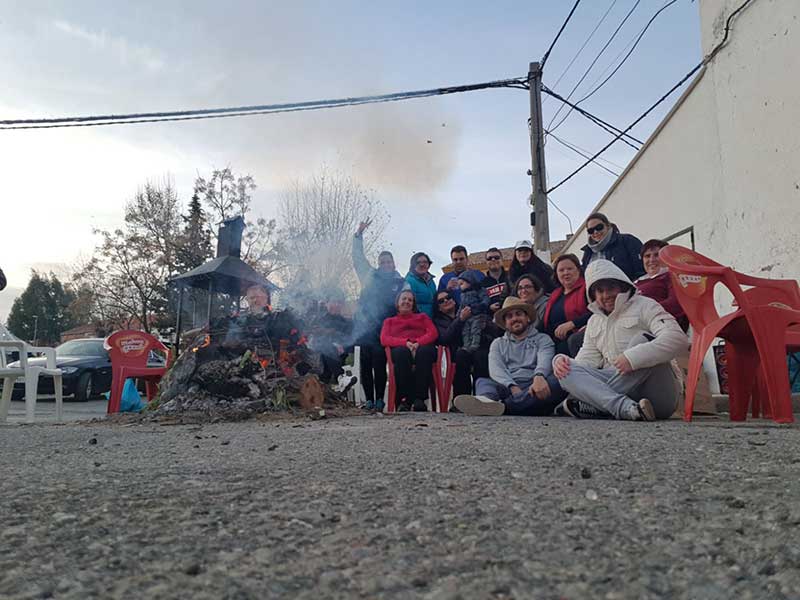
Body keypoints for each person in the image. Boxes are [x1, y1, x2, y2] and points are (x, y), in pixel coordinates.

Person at [553, 259, 689, 421]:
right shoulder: (594, 321)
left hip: (657, 396)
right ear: (593, 295)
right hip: (622, 394)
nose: (606, 295)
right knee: (566, 370)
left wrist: (633, 358)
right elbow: (586, 361)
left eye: (611, 288)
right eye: (600, 291)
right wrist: (563, 363)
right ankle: (624, 408)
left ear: (622, 285)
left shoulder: (645, 305)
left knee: (642, 340)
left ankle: (596, 403)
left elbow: (678, 339)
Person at [454, 297, 564, 416]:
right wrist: (511, 385)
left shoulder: (543, 339)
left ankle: (503, 407)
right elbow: (496, 369)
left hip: (534, 385)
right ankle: (486, 402)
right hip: (507, 386)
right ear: (505, 324)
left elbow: (545, 360)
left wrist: (539, 375)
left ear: (527, 318)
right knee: (483, 382)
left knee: (559, 380)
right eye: (509, 316)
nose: (514, 319)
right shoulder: (498, 343)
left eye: (518, 314)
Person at [352, 219, 405, 411]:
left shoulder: (401, 282)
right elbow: (357, 258)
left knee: (379, 360)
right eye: (382, 262)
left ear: (393, 263)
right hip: (366, 326)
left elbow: (406, 305)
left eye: (388, 261)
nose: (385, 264)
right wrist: (358, 235)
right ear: (378, 264)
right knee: (365, 361)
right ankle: (368, 400)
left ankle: (380, 400)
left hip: (387, 329)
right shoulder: (369, 276)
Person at [380, 290, 439, 412]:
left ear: (413, 304)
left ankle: (420, 399)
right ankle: (405, 399)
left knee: (425, 352)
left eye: (410, 300)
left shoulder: (422, 317)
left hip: (422, 347)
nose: (406, 302)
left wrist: (418, 343)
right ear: (397, 303)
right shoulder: (389, 321)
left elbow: (433, 333)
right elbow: (384, 339)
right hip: (402, 349)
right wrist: (405, 343)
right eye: (404, 299)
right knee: (402, 353)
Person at [433, 290, 490, 400]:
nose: (446, 301)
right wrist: (460, 320)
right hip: (456, 353)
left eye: (448, 297)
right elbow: (444, 339)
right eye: (441, 301)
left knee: (482, 354)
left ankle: (482, 396)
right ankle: (462, 399)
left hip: (476, 346)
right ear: (439, 307)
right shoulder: (438, 321)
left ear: (454, 300)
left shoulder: (470, 311)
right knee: (461, 356)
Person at [542, 254, 591, 357]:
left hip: (576, 340)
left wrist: (573, 323)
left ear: (578, 270)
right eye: (561, 270)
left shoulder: (587, 289)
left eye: (570, 269)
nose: (566, 273)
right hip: (552, 340)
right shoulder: (556, 293)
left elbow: (596, 311)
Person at [634, 239, 688, 331]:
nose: (651, 260)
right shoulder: (636, 282)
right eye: (647, 256)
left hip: (661, 326)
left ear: (667, 257)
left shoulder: (671, 275)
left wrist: (644, 313)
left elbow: (675, 304)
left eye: (657, 255)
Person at [580, 212, 644, 281]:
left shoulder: (627, 241)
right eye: (591, 230)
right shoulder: (587, 253)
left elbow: (641, 269)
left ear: (607, 226)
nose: (595, 232)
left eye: (599, 227)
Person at [457, 271, 490, 352]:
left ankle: (475, 344)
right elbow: (461, 305)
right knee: (465, 330)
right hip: (467, 316)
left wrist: (481, 306)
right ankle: (466, 345)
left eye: (461, 284)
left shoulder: (479, 290)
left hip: (477, 314)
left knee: (475, 329)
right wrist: (458, 314)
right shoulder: (462, 295)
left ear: (469, 282)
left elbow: (485, 299)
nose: (460, 287)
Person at [404, 252, 437, 318]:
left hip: (431, 321)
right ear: (413, 266)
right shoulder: (409, 282)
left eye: (425, 262)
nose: (422, 264)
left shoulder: (431, 281)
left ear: (429, 264)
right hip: (418, 321)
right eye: (418, 262)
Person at [481, 247, 509, 314]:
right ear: (486, 262)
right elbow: (481, 304)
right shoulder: (482, 284)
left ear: (502, 260)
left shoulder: (511, 277)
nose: (493, 260)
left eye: (496, 257)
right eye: (489, 258)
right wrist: (489, 307)